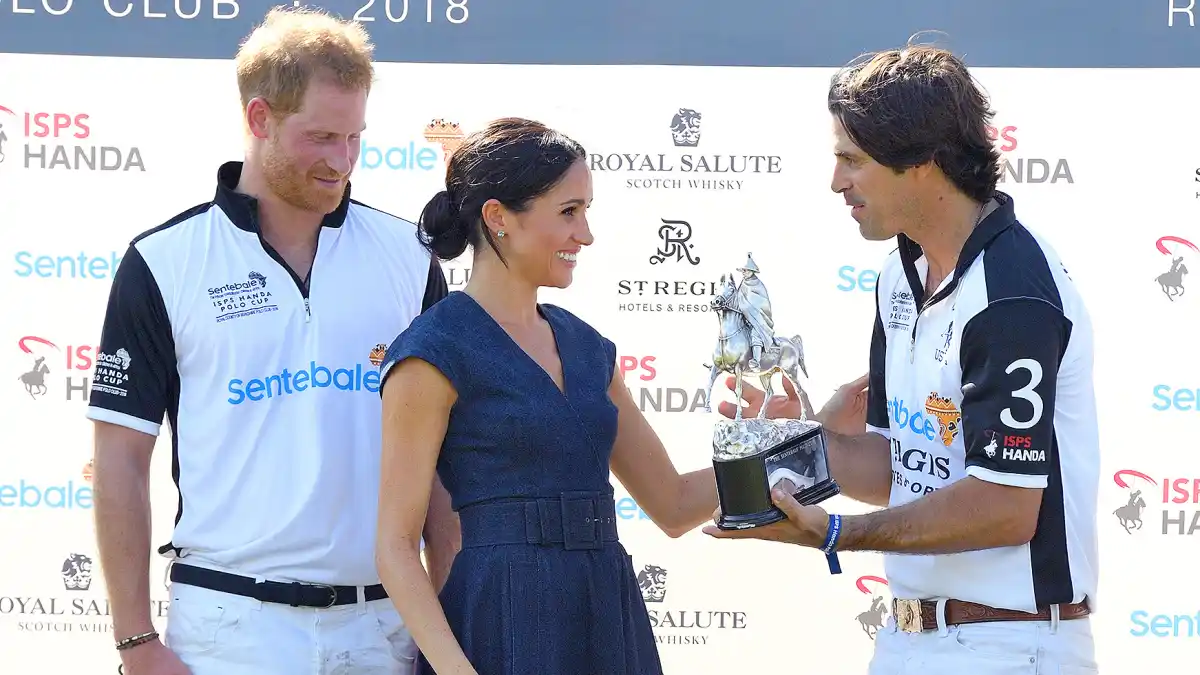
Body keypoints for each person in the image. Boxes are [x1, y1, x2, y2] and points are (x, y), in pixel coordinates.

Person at [705, 43, 1101, 675]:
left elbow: (1006, 507)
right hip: (908, 638)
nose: (836, 181)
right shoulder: (900, 273)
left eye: (851, 160)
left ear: (921, 161)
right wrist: (797, 443)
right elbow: (905, 467)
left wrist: (839, 534)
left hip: (1012, 645)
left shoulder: (1012, 290)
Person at [87, 8, 458, 675]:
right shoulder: (164, 260)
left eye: (354, 137)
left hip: (382, 628)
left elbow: (440, 460)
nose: (341, 160)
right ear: (259, 119)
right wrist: (136, 639)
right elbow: (119, 457)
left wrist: (456, 624)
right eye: (321, 137)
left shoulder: (410, 257)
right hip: (226, 630)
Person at [374, 117, 719, 675]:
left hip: (607, 612)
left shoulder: (589, 349)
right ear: (498, 218)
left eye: (586, 212)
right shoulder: (431, 352)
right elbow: (395, 547)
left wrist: (795, 452)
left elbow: (675, 504)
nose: (585, 235)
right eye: (568, 212)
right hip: (499, 619)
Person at [735, 253, 776, 371]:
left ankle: (756, 362)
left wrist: (748, 312)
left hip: (758, 318)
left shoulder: (758, 285)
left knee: (755, 333)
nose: (743, 272)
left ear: (752, 271)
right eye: (743, 271)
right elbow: (740, 299)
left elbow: (760, 304)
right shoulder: (743, 284)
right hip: (744, 317)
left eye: (745, 270)